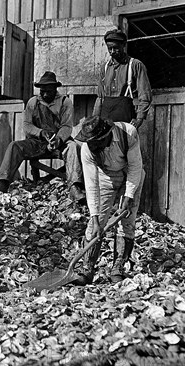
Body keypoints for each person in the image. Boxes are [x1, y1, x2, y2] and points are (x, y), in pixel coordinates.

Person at [0, 71, 85, 202]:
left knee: (73, 147)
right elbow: (27, 125)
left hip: (58, 142)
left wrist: (58, 139)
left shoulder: (65, 102)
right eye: (42, 91)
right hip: (37, 142)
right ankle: (2, 183)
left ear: (55, 89)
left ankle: (74, 187)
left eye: (48, 91)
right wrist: (40, 132)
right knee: (14, 146)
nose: (45, 94)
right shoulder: (33, 102)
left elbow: (67, 126)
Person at [73, 116, 145, 285]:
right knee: (93, 227)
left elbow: (135, 168)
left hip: (131, 174)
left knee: (126, 222)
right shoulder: (87, 149)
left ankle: (118, 268)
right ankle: (87, 270)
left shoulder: (128, 133)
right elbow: (91, 185)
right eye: (89, 142)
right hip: (105, 176)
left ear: (106, 135)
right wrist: (96, 218)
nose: (92, 146)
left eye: (95, 142)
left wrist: (128, 197)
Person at [92, 29, 152, 128]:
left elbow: (145, 95)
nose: (112, 52)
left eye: (115, 48)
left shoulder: (135, 65)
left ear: (124, 45)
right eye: (109, 48)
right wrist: (94, 120)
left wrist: (139, 119)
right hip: (105, 114)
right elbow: (100, 98)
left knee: (123, 142)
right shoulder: (105, 68)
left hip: (125, 114)